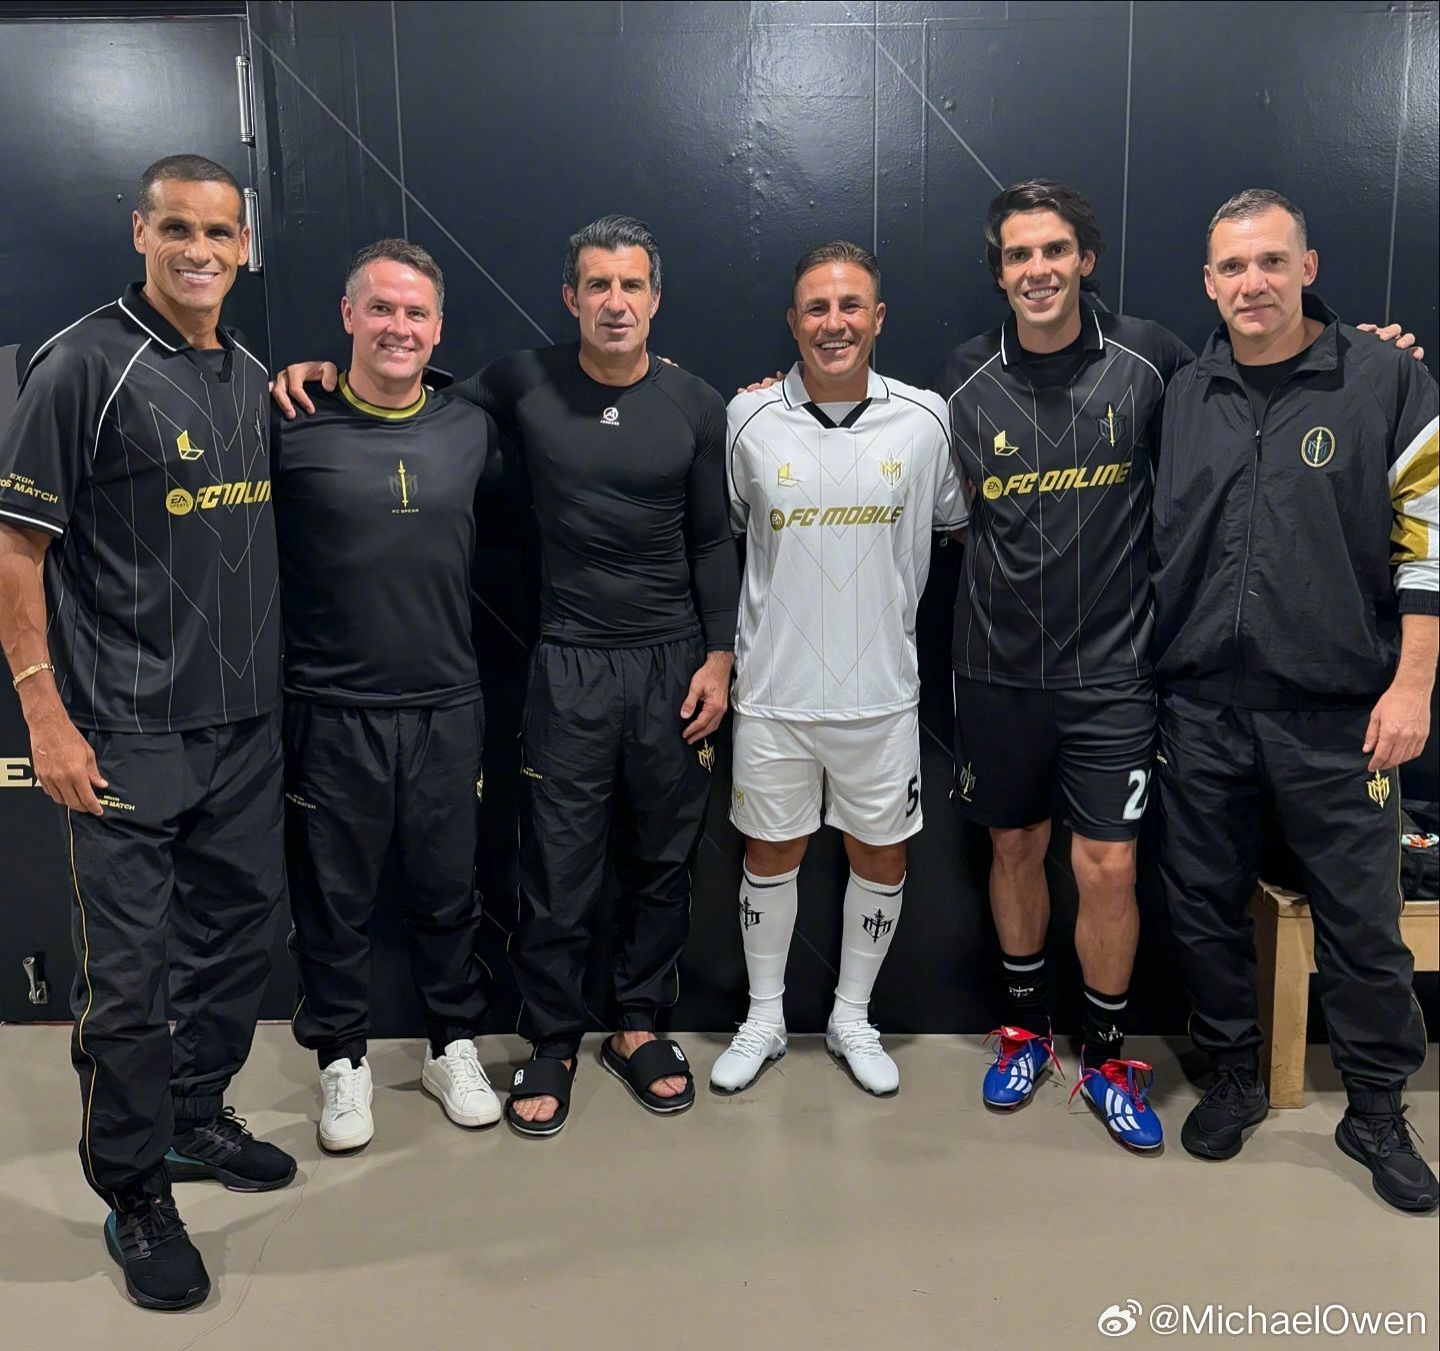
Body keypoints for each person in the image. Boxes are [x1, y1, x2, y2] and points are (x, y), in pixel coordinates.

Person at [272, 215, 740, 1136]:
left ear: (655, 299)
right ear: (571, 296)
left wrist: (720, 655)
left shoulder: (696, 403)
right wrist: (317, 371)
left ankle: (638, 1024)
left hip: (672, 661)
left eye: (631, 285)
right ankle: (552, 1038)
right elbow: (408, 383)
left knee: (661, 859)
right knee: (556, 866)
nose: (615, 302)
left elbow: (712, 540)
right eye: (597, 284)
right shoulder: (521, 382)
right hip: (565, 659)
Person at [0, 154, 292, 1311]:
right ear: (140, 233)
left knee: (236, 942)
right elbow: (15, 549)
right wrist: (43, 713)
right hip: (122, 731)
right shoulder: (81, 363)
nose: (199, 250)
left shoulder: (250, 372)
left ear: (245, 246)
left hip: (244, 729)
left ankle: (190, 1119)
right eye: (177, 228)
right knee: (128, 985)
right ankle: (134, 1191)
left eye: (219, 231)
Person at [1152, 188, 1438, 1212]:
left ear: (1308, 268)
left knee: (1364, 924)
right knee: (1201, 906)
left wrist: (1414, 683)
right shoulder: (1184, 394)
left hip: (1341, 711)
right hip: (1202, 706)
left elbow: (1429, 538)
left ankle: (1375, 1109)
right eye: (1233, 267)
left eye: (1272, 261)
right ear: (1208, 282)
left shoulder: (1387, 380)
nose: (1254, 282)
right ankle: (1233, 1074)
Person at [941, 181, 1193, 1151]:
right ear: (999, 271)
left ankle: (1107, 1055)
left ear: (1085, 259)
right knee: (1013, 849)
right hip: (997, 671)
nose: (1037, 269)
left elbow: (1250, 398)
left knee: (1109, 866)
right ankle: (1023, 1032)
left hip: (1114, 672)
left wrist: (1360, 344)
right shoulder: (963, 379)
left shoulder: (1151, 358)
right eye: (1018, 255)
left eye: (1054, 250)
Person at [711, 241, 966, 1096]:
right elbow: (724, 534)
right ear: (793, 322)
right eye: (816, 308)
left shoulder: (926, 419)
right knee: (769, 850)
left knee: (881, 856)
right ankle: (765, 1017)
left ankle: (852, 1016)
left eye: (851, 305)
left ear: (878, 317)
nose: (834, 323)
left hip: (882, 696)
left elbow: (958, 522)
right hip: (773, 694)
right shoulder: (746, 419)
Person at [272, 239, 501, 1152]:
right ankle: (343, 1060)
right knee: (333, 903)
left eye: (415, 313)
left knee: (448, 892)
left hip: (447, 704)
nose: (398, 326)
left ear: (438, 328)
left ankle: (452, 1045)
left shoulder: (472, 424)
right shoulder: (290, 420)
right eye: (380, 308)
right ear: (347, 315)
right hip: (331, 709)